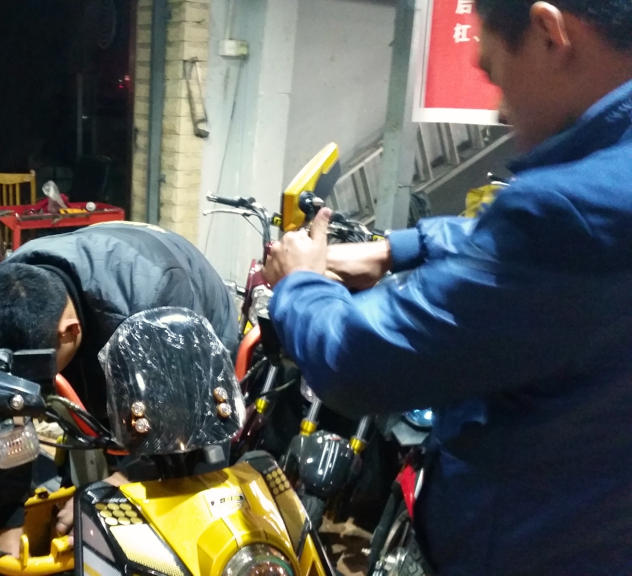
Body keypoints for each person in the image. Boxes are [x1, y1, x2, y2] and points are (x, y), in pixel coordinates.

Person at [262, 1, 632, 573]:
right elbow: (549, 252)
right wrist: (398, 248)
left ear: (549, 33)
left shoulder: (563, 208)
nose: (500, 109)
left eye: (495, 72)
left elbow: (359, 362)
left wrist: (301, 283)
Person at [0, 222, 238, 556]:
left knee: (185, 475)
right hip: (103, 302)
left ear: (69, 332)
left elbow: (183, 429)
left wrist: (122, 485)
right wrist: (7, 531)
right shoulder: (11, 288)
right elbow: (4, 412)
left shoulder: (157, 302)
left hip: (184, 327)